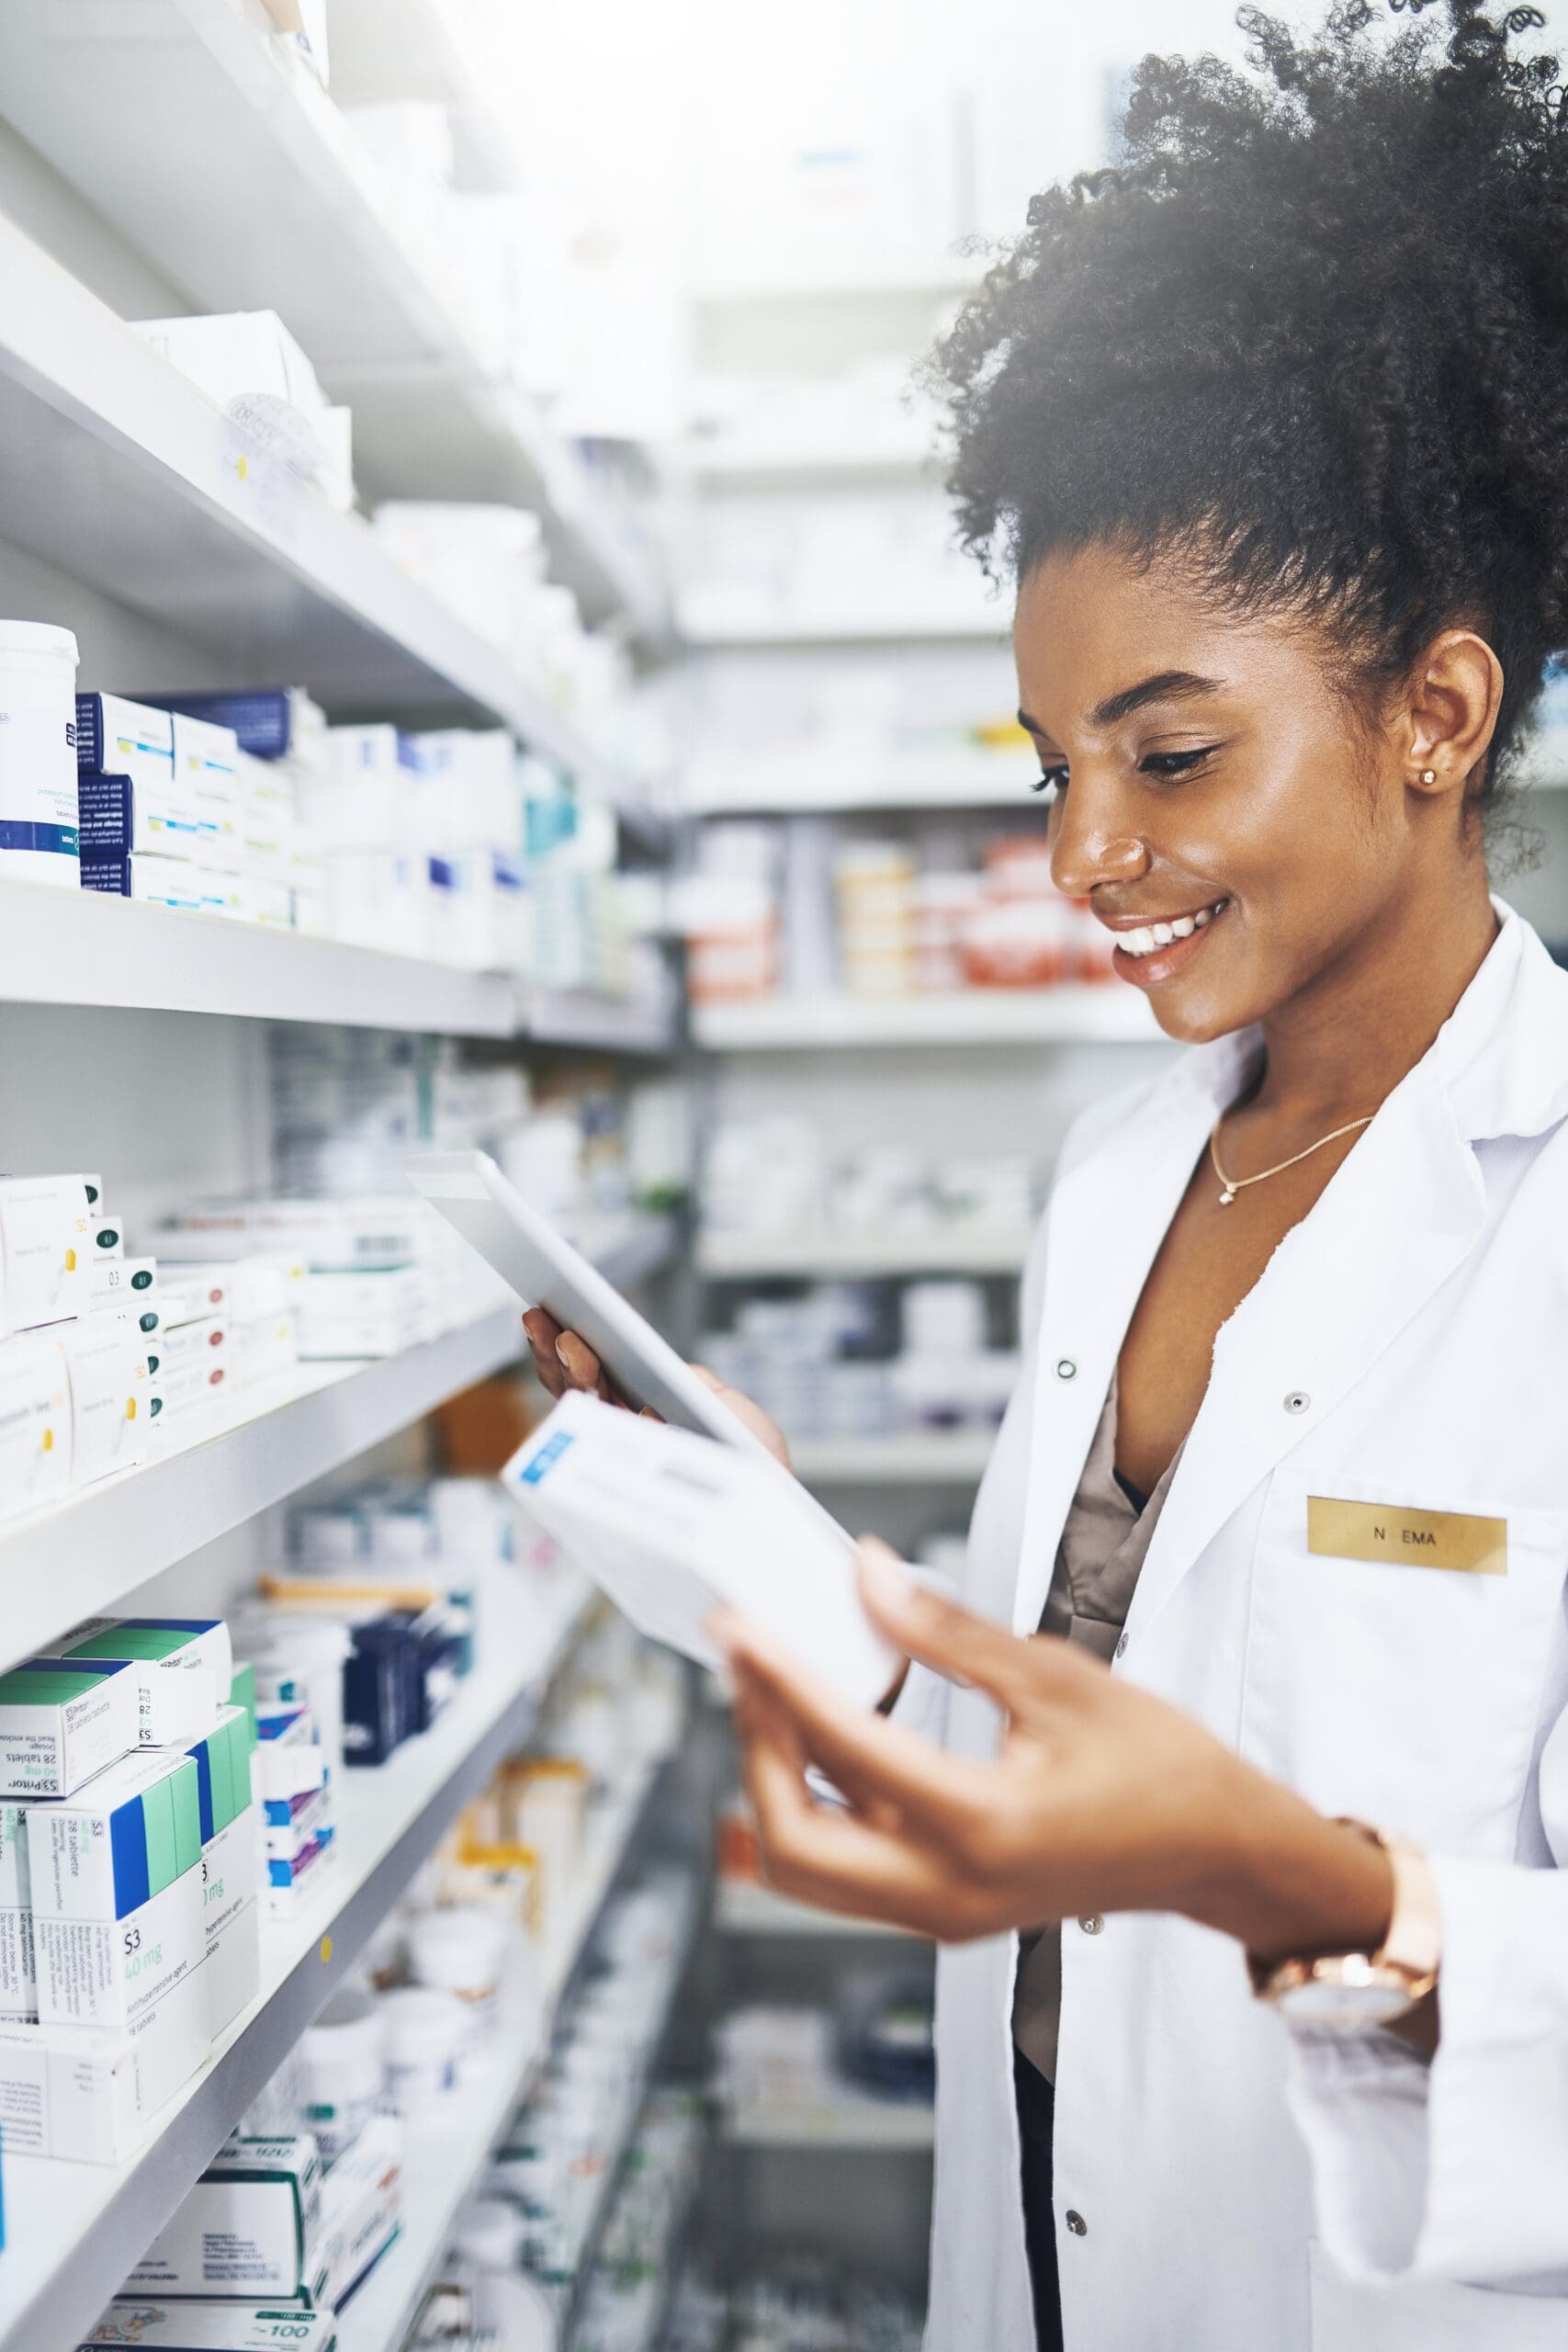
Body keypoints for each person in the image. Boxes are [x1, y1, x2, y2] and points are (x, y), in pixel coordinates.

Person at [525, 6, 1568, 2345]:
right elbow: (1034, 1745)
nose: (1091, 854)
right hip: (1040, 2231)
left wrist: (1266, 1872)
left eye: (1169, 751)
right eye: (1049, 764)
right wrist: (768, 1538)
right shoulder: (1123, 1172)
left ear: (1435, 710)